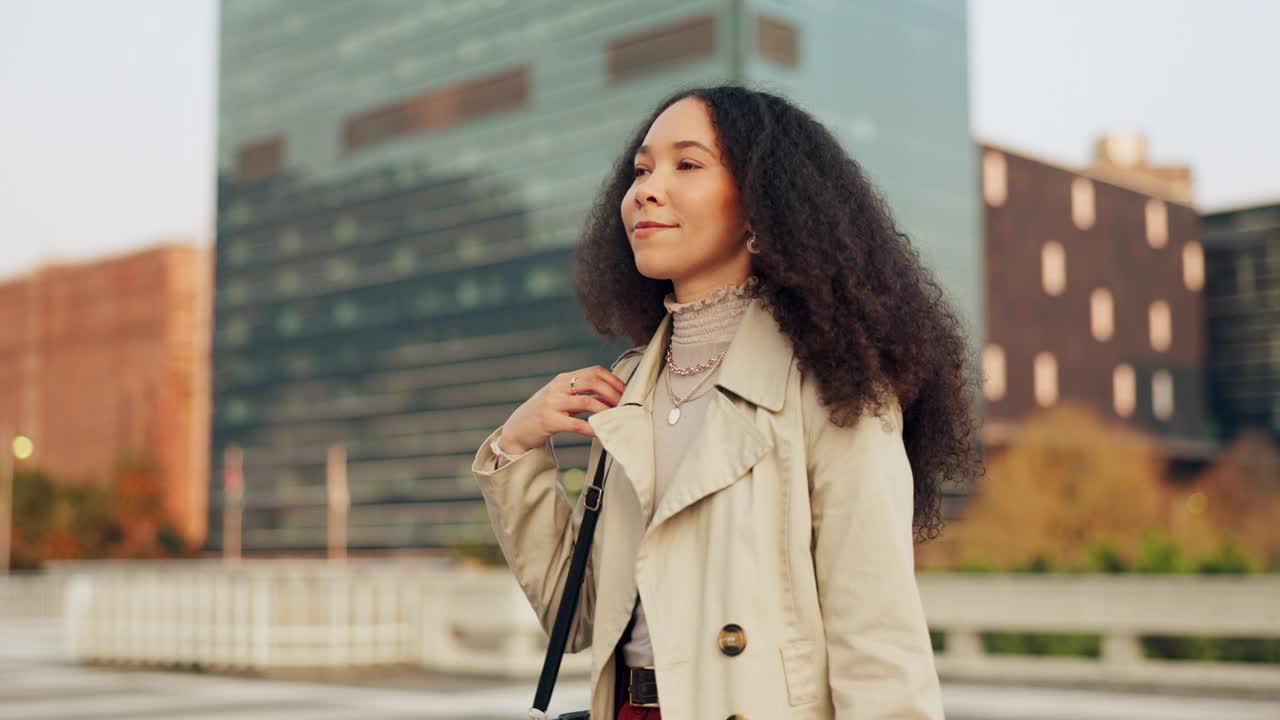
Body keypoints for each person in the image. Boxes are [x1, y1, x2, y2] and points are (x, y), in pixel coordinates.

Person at [472, 85, 982, 719]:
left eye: (687, 164)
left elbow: (878, 641)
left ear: (761, 209)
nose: (646, 190)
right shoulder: (631, 388)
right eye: (641, 169)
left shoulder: (836, 387)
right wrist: (518, 447)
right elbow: (579, 618)